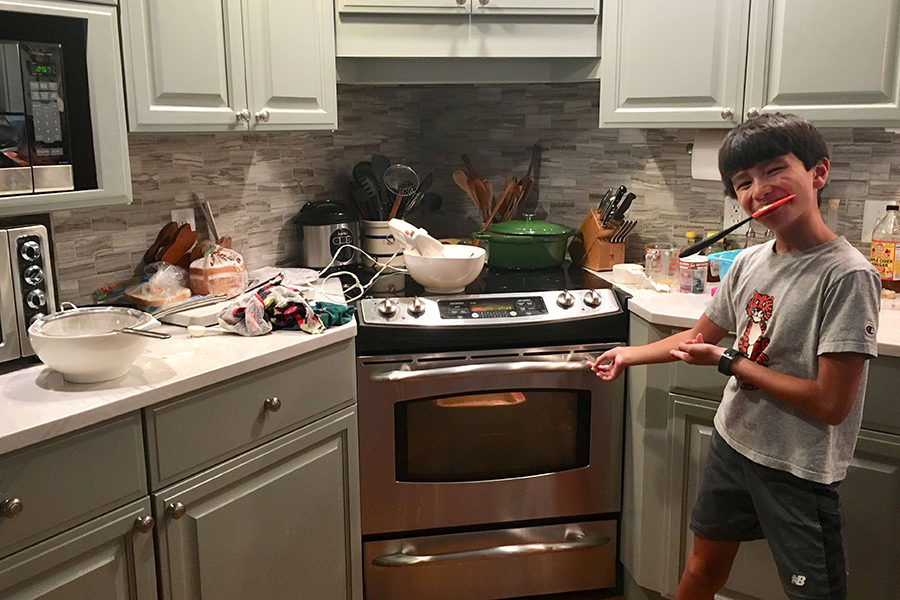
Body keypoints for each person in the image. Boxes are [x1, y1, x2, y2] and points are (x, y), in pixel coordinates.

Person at [590, 113, 881, 600]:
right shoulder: (749, 262)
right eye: (743, 182)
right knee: (701, 571)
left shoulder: (848, 277)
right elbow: (698, 337)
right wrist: (628, 353)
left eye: (774, 170)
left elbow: (830, 404)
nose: (758, 190)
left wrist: (729, 363)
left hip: (797, 469)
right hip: (734, 443)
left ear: (818, 173)